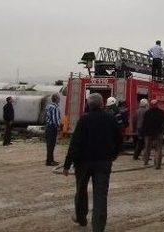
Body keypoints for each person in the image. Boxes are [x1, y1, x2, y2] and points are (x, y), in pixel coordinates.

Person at [63, 93, 122, 232]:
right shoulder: (110, 119)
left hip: (83, 163)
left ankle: (81, 218)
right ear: (102, 104)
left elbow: (75, 143)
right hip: (103, 163)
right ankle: (98, 227)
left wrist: (67, 164)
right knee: (100, 195)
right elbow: (119, 139)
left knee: (81, 190)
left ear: (88, 105)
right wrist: (113, 156)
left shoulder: (84, 120)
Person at [141, 99, 164, 169]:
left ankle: (146, 161)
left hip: (148, 134)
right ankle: (157, 165)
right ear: (157, 105)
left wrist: (143, 133)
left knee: (147, 147)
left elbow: (144, 124)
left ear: (150, 105)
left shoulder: (147, 113)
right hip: (158, 133)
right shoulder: (161, 112)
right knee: (158, 149)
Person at [45, 93, 62, 166]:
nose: (60, 99)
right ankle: (50, 161)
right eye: (59, 98)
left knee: (49, 145)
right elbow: (55, 119)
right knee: (51, 144)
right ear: (56, 99)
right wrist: (58, 127)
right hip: (52, 127)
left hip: (48, 126)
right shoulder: (55, 107)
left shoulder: (48, 106)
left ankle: (50, 160)